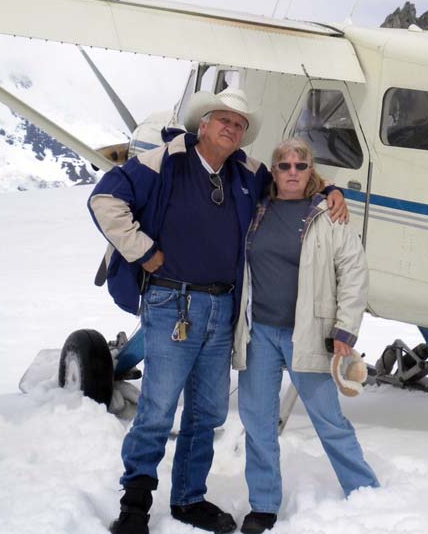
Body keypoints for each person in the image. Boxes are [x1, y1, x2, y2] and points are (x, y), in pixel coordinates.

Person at [88, 88, 347, 534]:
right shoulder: (164, 160)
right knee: (158, 408)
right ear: (202, 124)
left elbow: (293, 182)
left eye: (240, 123)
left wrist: (331, 190)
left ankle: (189, 498)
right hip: (173, 302)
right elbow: (104, 201)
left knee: (207, 412)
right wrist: (142, 250)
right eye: (222, 119)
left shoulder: (247, 172)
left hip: (223, 306)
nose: (231, 127)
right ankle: (134, 506)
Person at [233, 138, 379, 534]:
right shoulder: (256, 210)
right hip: (259, 332)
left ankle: (365, 492)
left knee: (329, 420)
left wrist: (345, 328)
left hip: (309, 335)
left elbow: (353, 272)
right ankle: (262, 506)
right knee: (259, 421)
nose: (293, 172)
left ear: (311, 170)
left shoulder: (329, 215)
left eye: (301, 166)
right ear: (275, 172)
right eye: (285, 166)